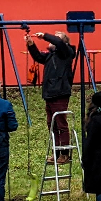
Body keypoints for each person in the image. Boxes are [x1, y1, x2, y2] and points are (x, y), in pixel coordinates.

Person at [28, 31, 78, 160]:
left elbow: (59, 43)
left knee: (61, 124)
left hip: (60, 92)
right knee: (52, 124)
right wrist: (31, 45)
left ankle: (65, 154)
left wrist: (44, 35)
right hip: (50, 93)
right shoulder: (51, 56)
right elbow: (38, 57)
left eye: (55, 39)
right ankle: (56, 153)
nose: (52, 41)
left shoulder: (66, 53)